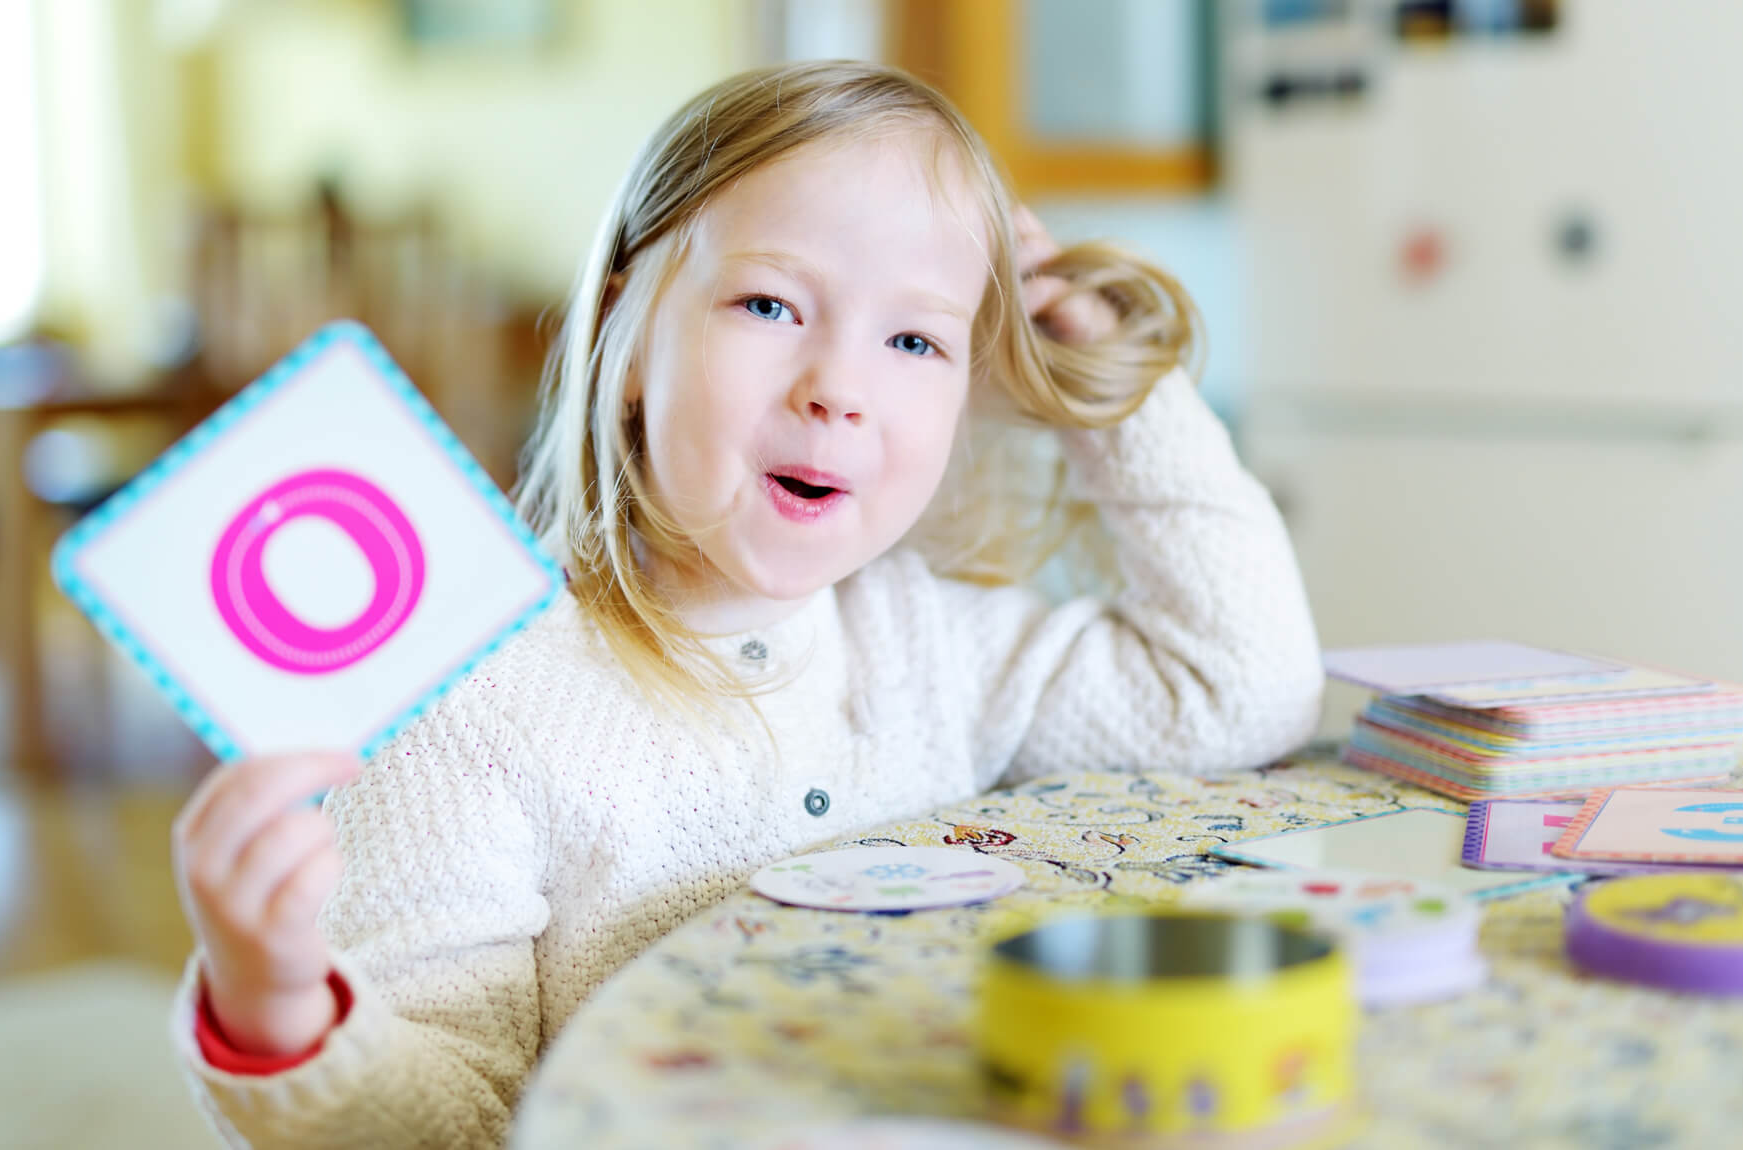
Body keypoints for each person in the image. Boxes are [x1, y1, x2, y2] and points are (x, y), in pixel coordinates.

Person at [167, 60, 1322, 1148]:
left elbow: (1242, 691)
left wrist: (1122, 395)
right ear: (626, 336)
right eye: (770, 306)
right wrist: (280, 1014)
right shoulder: (470, 701)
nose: (838, 390)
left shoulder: (931, 642)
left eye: (915, 337)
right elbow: (460, 1116)